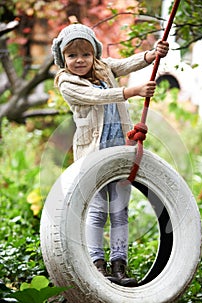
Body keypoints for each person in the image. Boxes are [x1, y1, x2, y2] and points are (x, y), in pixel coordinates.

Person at [51, 23, 169, 287]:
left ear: (94, 54)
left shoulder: (103, 68)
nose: (79, 60)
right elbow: (95, 97)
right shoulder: (67, 82)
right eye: (72, 55)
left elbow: (125, 64)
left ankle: (119, 265)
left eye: (85, 54)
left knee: (119, 211)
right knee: (97, 210)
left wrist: (151, 55)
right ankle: (97, 264)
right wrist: (132, 92)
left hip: (121, 150)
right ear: (63, 59)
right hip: (94, 154)